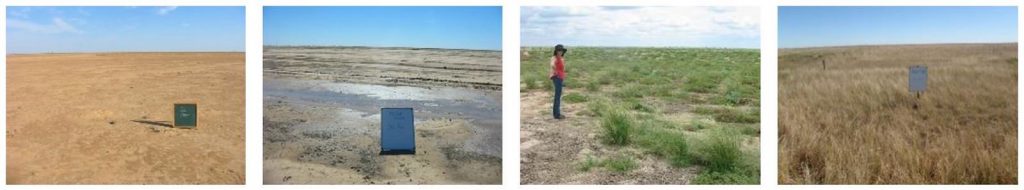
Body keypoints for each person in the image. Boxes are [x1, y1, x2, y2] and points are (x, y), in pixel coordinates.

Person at [550, 44, 567, 119]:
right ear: (556, 51)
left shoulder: (562, 58)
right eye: (559, 50)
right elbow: (552, 64)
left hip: (560, 77)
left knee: (558, 95)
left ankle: (556, 113)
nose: (560, 52)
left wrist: (562, 75)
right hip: (556, 77)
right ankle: (557, 114)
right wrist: (555, 70)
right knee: (557, 96)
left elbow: (563, 69)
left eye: (561, 50)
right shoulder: (554, 58)